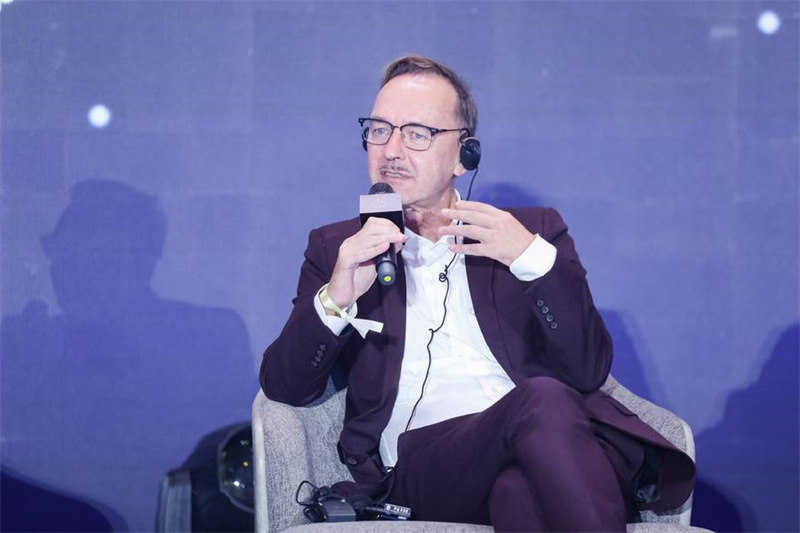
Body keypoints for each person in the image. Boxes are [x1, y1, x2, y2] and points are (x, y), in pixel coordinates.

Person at [260, 55, 695, 532]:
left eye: (417, 133)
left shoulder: (529, 232)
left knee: (518, 494)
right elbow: (285, 386)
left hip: (544, 448)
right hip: (425, 468)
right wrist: (337, 298)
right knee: (542, 399)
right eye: (379, 130)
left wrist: (529, 259)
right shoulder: (339, 247)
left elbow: (588, 368)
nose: (391, 150)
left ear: (464, 155)